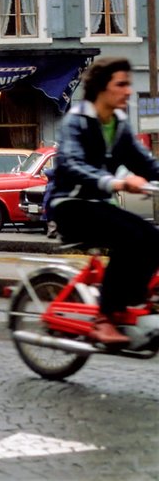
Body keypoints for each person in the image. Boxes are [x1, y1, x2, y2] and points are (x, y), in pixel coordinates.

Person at [48, 56, 159, 347]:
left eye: (129, 84)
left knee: (151, 238)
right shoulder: (77, 121)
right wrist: (117, 182)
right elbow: (72, 163)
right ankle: (104, 317)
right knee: (133, 237)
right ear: (101, 88)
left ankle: (125, 303)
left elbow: (146, 164)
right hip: (70, 205)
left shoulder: (119, 125)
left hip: (98, 206)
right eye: (121, 84)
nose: (128, 91)